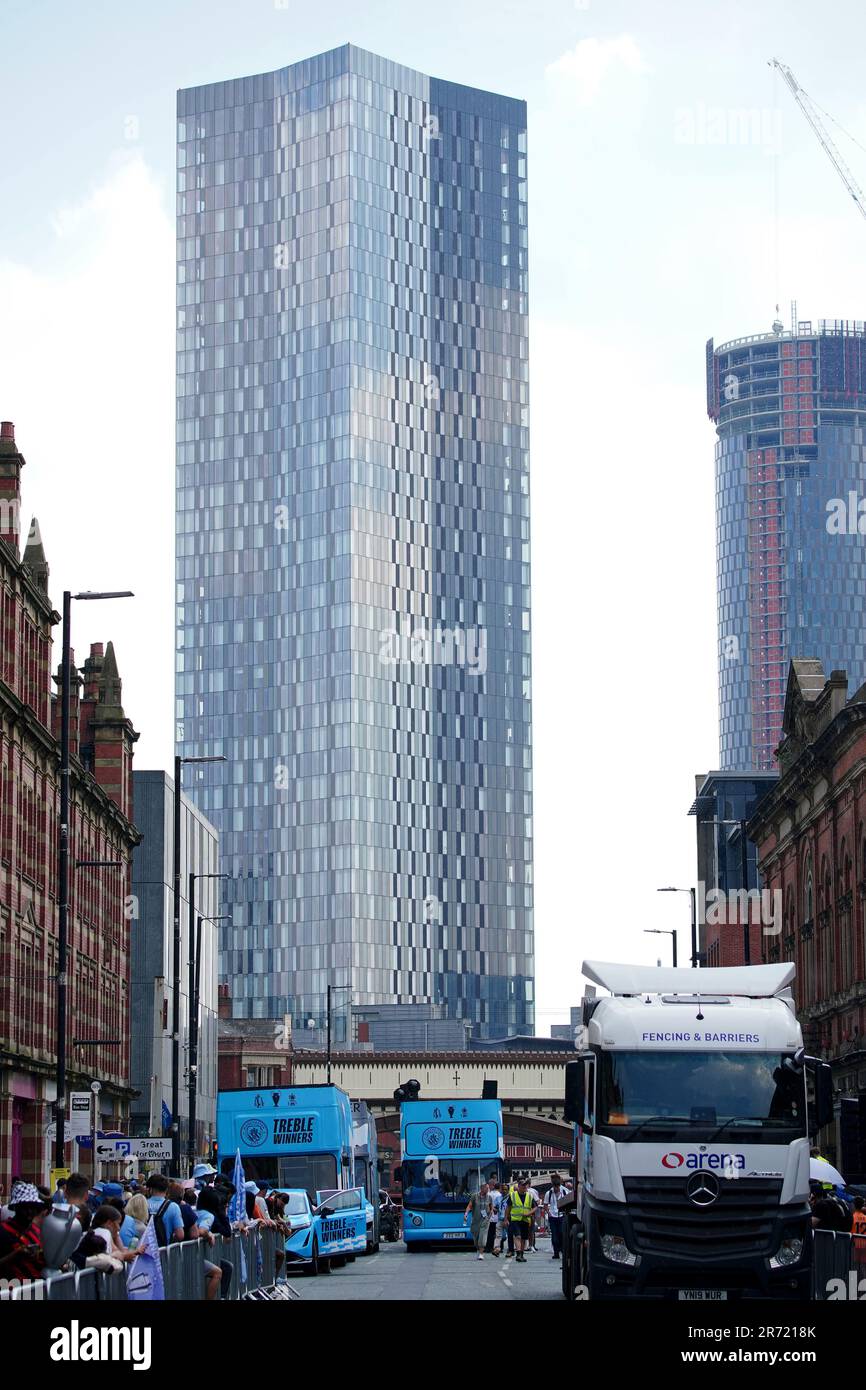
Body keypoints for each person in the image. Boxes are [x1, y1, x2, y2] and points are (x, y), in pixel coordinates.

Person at [0, 1181, 45, 1282]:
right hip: (11, 1290)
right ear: (16, 1207)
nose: (29, 1211)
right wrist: (15, 1255)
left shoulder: (38, 1231)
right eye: (25, 1207)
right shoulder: (3, 1231)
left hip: (37, 1290)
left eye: (33, 1207)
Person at [144, 1173, 185, 1244]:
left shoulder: (142, 1204)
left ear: (150, 1189)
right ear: (166, 1189)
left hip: (144, 1251)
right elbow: (180, 1235)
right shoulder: (173, 1207)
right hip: (164, 1250)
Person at [506, 1178, 538, 1263]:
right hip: (515, 1219)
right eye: (523, 1185)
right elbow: (508, 1207)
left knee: (524, 1238)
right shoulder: (512, 1195)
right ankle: (519, 1254)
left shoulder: (529, 1196)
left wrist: (529, 1213)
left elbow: (535, 1207)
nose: (524, 1187)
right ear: (519, 1186)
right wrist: (506, 1218)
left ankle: (521, 1254)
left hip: (525, 1220)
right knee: (518, 1236)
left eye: (525, 1186)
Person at [544, 1173, 571, 1261]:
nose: (557, 1188)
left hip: (562, 1216)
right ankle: (556, 1253)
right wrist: (549, 1213)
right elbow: (545, 1205)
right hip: (553, 1217)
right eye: (555, 1186)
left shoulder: (565, 1191)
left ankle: (563, 1251)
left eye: (558, 1186)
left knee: (562, 1234)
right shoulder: (549, 1193)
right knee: (554, 1235)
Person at [463, 1181, 491, 1260]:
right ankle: (478, 1249)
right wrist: (466, 1214)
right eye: (487, 1188)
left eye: (488, 1188)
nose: (488, 1190)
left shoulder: (489, 1197)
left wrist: (489, 1216)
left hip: (485, 1221)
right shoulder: (474, 1196)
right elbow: (469, 1206)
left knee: (482, 1237)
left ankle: (481, 1253)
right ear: (482, 1188)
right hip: (475, 1220)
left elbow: (491, 1207)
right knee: (476, 1238)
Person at [486, 1182, 503, 1255]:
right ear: (499, 1188)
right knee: (498, 1234)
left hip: (489, 1216)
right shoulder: (499, 1195)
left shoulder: (489, 1194)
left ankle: (488, 1247)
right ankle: (498, 1247)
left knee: (489, 1233)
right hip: (497, 1217)